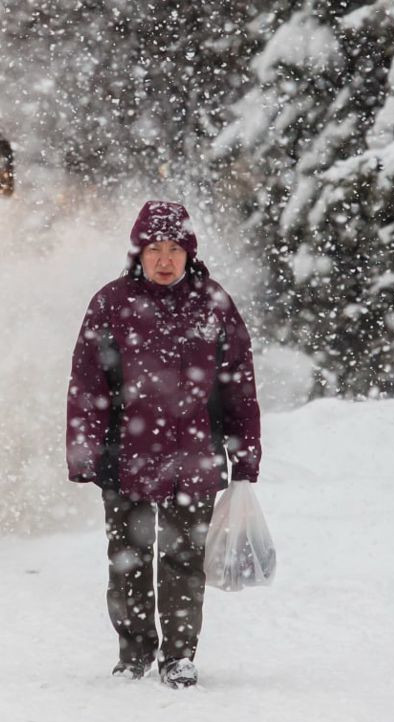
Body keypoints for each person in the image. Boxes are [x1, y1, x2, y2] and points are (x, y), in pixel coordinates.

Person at [66, 200, 261, 689]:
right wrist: (86, 450)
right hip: (123, 456)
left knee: (183, 560)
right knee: (128, 558)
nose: (165, 259)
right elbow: (88, 383)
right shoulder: (111, 303)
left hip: (192, 456)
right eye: (155, 249)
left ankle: (178, 656)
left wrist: (245, 455)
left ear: (189, 252)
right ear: (139, 252)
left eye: (175, 248)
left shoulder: (214, 302)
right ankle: (133, 654)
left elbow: (239, 383)